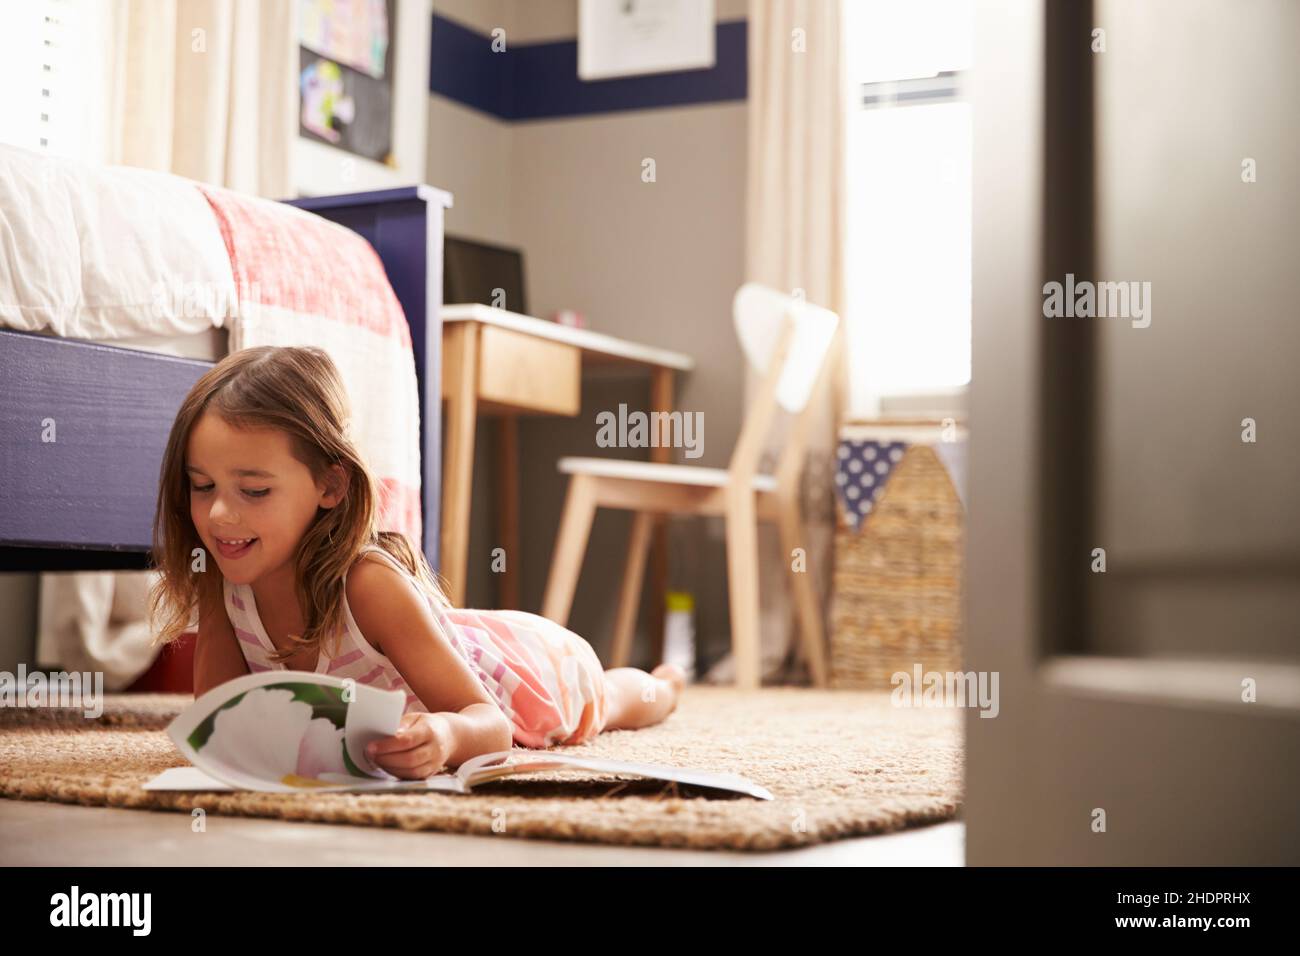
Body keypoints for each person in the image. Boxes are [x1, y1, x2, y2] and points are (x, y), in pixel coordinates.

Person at [147, 345, 685, 779]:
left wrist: (447, 736)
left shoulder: (369, 585)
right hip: (451, 641)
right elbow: (220, 723)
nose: (218, 513)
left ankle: (666, 684)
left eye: (254, 490)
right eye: (202, 486)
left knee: (610, 702)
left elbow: (490, 725)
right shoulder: (224, 584)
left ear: (330, 485)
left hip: (524, 673)